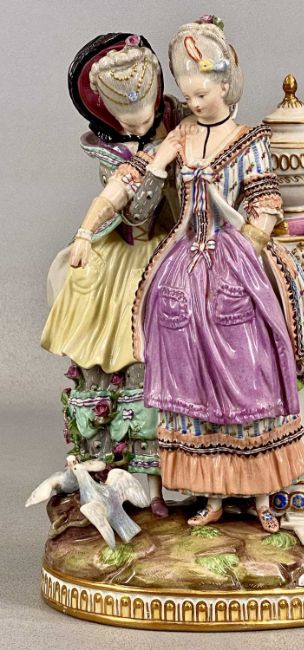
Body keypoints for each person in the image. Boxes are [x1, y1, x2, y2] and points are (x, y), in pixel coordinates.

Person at [126, 18, 304, 532]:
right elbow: (140, 202)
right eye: (187, 94)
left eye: (202, 93)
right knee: (188, 375)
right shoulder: (182, 136)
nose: (193, 103)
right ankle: (210, 494)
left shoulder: (248, 139)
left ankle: (262, 494)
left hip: (234, 258)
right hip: (184, 263)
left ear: (225, 83)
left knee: (248, 373)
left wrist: (247, 249)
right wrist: (156, 166)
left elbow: (266, 202)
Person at [41, 33, 185, 517]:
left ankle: (175, 477)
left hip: (179, 237)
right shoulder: (117, 156)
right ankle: (106, 468)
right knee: (119, 340)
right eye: (130, 121)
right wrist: (85, 234)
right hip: (132, 247)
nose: (141, 126)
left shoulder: (177, 118)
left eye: (146, 115)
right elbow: (127, 207)